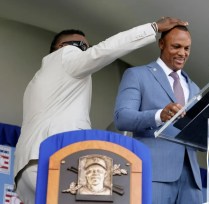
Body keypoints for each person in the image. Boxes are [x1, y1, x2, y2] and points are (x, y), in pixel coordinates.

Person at [13, 17, 189, 204]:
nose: (84, 50)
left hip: (30, 165)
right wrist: (153, 28)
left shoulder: (41, 79)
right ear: (59, 48)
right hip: (54, 160)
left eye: (87, 47)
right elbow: (104, 50)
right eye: (78, 45)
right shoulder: (64, 57)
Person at [114, 25, 203, 204]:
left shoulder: (194, 87)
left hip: (192, 179)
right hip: (154, 172)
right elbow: (122, 117)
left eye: (187, 48)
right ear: (161, 44)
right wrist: (158, 115)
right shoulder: (137, 75)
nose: (182, 53)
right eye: (176, 46)